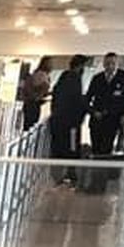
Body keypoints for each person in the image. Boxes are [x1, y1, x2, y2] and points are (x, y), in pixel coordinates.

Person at [85, 51, 124, 156]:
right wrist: (93, 112)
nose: (110, 66)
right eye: (107, 63)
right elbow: (87, 98)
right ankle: (95, 169)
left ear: (117, 64)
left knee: (106, 148)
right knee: (96, 148)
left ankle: (104, 170)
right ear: (103, 64)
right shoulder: (97, 78)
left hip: (113, 119)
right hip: (97, 119)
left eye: (113, 63)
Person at [49, 54, 88, 185]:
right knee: (71, 148)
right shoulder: (75, 78)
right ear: (80, 66)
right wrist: (90, 110)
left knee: (59, 148)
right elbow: (77, 100)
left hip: (58, 121)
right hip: (70, 123)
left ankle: (58, 177)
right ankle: (70, 175)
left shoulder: (63, 77)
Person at [21, 58, 51, 132]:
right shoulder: (41, 75)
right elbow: (41, 88)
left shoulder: (38, 74)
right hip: (33, 103)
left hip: (31, 103)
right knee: (31, 125)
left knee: (29, 125)